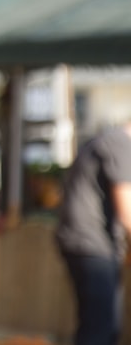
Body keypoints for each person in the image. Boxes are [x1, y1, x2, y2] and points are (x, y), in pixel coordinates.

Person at [55, 120, 131, 345]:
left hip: (89, 244)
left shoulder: (106, 141)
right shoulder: (120, 143)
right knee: (99, 330)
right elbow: (127, 210)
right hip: (92, 246)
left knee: (103, 327)